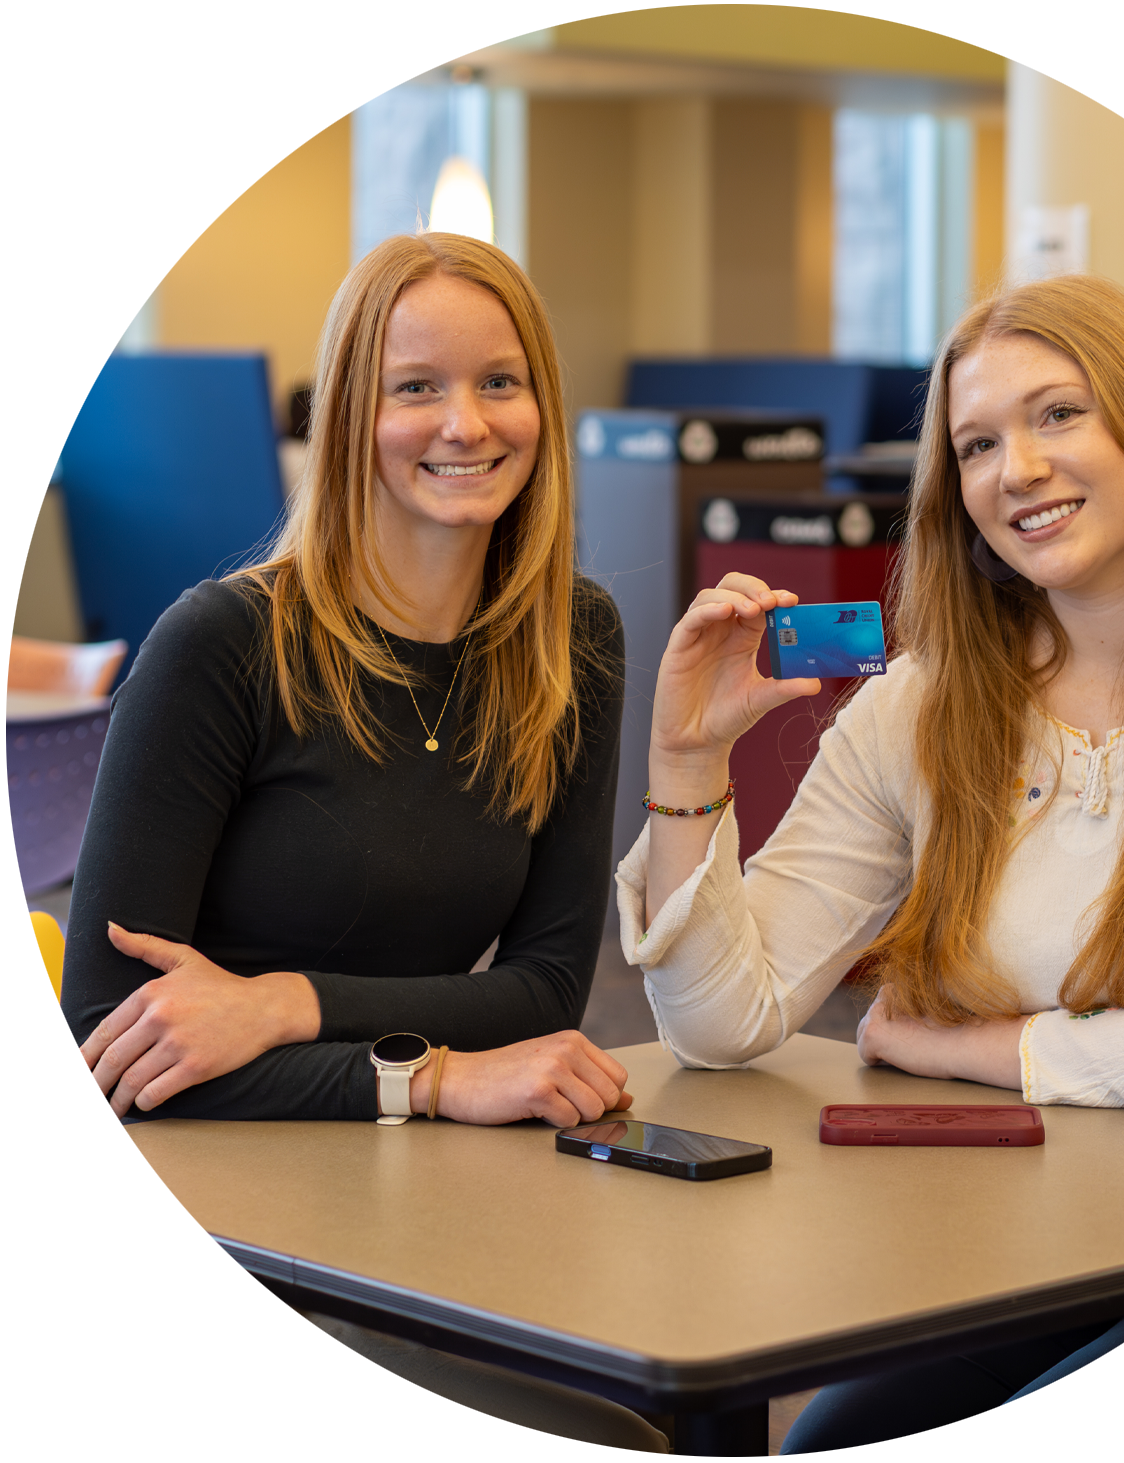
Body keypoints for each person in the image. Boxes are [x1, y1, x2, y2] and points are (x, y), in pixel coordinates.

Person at [618, 274, 1124, 1455]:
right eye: (975, 442)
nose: (1016, 465)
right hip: (1073, 1226)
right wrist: (685, 759)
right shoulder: (922, 705)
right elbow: (720, 1023)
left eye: (1058, 414)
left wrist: (968, 1048)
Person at [6, 232, 667, 1457]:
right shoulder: (223, 643)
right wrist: (430, 1073)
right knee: (591, 1447)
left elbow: (545, 990)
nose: (462, 423)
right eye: (414, 386)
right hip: (131, 1275)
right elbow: (110, 1061)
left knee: (637, 1411)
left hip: (367, 1230)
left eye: (498, 381)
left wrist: (280, 1006)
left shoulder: (572, 637)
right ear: (351, 410)